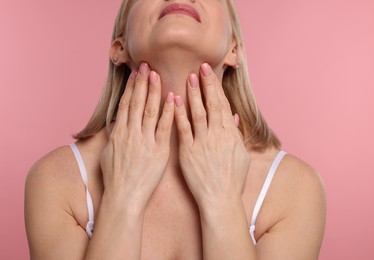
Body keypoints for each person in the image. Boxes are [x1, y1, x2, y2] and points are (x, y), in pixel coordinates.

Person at [24, 0, 326, 259]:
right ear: (119, 48)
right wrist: (124, 195)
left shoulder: (293, 188)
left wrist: (220, 200)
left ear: (234, 50)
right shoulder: (56, 180)